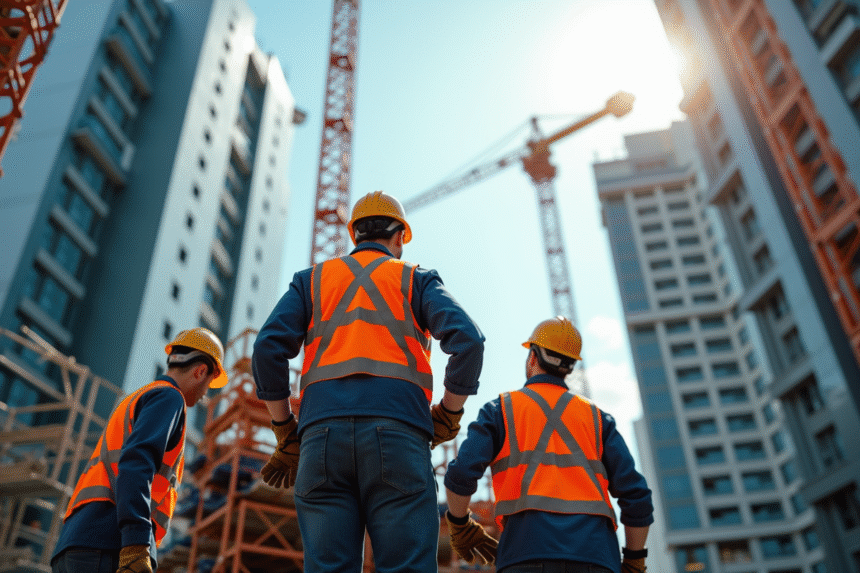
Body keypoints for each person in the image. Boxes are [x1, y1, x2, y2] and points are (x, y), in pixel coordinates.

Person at [252, 190, 485, 572]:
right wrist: (448, 413)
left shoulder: (312, 281)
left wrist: (284, 430)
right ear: (398, 238)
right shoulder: (416, 279)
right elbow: (469, 341)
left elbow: (266, 349)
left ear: (355, 234)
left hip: (321, 440)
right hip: (399, 436)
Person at [444, 316, 653, 573]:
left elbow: (461, 473)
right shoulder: (598, 420)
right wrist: (634, 558)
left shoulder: (501, 410)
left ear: (532, 357)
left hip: (524, 556)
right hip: (597, 557)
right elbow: (637, 498)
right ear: (570, 366)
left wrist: (460, 523)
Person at [52, 328, 229, 573]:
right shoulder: (169, 398)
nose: (204, 394)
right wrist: (136, 543)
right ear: (200, 372)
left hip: (77, 543)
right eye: (209, 383)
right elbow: (137, 463)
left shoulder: (138, 397)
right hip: (112, 545)